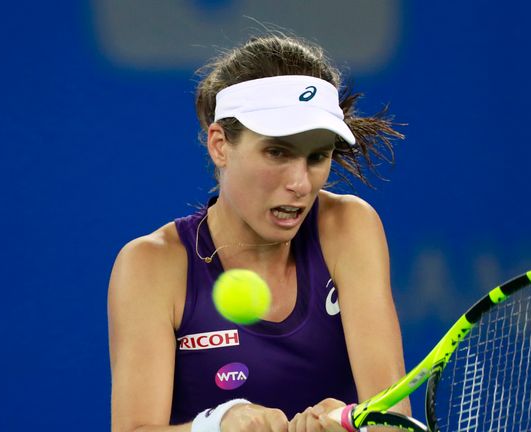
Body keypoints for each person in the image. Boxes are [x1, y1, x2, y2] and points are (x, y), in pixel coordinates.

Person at [108, 34, 409, 432]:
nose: (301, 184)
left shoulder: (348, 227)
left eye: (318, 156)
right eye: (278, 152)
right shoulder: (152, 265)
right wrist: (216, 425)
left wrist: (354, 426)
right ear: (220, 145)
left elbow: (392, 421)